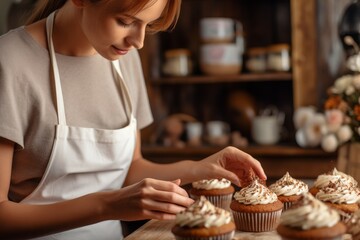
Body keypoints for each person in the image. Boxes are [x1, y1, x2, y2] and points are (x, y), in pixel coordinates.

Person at [0, 0, 267, 239]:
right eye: (126, 22)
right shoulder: (10, 61)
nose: (138, 41)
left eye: (148, 25)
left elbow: (129, 170)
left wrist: (199, 168)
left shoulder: (123, 58)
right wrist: (108, 206)